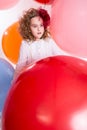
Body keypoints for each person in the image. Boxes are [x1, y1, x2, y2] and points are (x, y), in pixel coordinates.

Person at [13, 7, 65, 81]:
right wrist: (15, 81)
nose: (39, 29)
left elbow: (60, 56)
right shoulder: (26, 44)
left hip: (48, 75)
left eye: (41, 25)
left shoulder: (49, 41)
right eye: (35, 26)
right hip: (33, 78)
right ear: (28, 28)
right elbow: (21, 65)